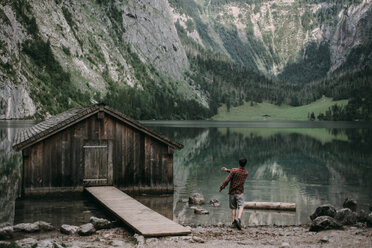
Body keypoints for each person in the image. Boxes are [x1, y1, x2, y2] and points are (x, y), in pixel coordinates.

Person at [219, 157, 249, 230]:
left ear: (239, 163)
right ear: (245, 164)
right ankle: (238, 219)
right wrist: (227, 170)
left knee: (233, 207)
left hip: (232, 192)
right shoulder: (246, 173)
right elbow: (235, 171)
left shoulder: (234, 171)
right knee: (241, 206)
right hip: (240, 192)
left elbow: (227, 180)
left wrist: (221, 187)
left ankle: (233, 222)